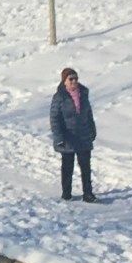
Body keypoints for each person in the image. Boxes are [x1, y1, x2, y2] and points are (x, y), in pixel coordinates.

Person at [49, 66, 98, 202]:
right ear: (64, 81)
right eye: (71, 79)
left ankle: (88, 193)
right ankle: (66, 193)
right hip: (67, 137)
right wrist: (59, 137)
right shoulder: (59, 97)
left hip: (83, 136)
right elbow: (54, 118)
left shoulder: (83, 94)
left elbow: (88, 114)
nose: (74, 81)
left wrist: (92, 131)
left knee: (86, 167)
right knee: (67, 166)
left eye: (76, 79)